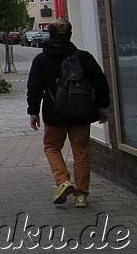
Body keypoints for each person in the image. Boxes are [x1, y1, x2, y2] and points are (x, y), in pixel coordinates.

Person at [27, 18, 110, 208]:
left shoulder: (42, 59)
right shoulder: (83, 57)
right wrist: (103, 108)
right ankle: (81, 195)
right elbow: (100, 84)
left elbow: (34, 87)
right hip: (81, 113)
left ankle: (63, 180)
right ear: (70, 35)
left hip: (54, 114)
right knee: (81, 153)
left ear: (50, 35)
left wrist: (33, 113)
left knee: (52, 147)